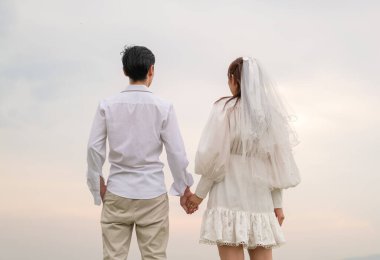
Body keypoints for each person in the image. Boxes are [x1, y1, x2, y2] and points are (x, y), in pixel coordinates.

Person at [86, 45, 195, 260]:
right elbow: (176, 152)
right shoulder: (163, 107)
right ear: (151, 70)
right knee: (154, 257)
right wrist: (184, 188)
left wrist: (95, 181)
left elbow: (93, 147)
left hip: (117, 190)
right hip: (152, 192)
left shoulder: (107, 105)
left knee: (113, 257)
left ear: (124, 71)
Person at [187, 57, 301, 260]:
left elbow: (215, 158)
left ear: (233, 79)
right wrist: (278, 203)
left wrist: (198, 196)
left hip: (228, 198)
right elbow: (276, 164)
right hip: (260, 201)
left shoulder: (225, 109)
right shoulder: (269, 116)